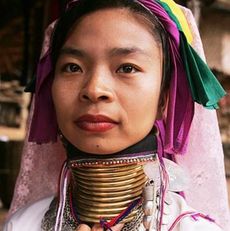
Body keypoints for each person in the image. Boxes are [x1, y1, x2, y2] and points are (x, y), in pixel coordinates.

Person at [3, 0, 229, 230]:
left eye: (127, 68)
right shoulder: (22, 225)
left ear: (164, 98)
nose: (94, 89)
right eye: (73, 67)